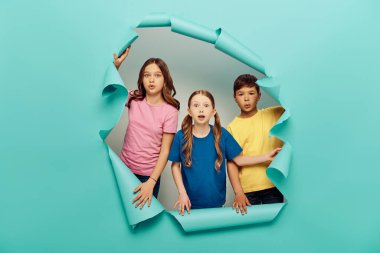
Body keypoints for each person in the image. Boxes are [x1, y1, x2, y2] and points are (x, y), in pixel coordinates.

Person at [168, 90, 280, 215]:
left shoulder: (222, 134)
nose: (201, 110)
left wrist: (266, 156)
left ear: (213, 111)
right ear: (189, 111)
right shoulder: (180, 136)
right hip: (189, 203)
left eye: (206, 106)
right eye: (196, 105)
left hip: (216, 203)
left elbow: (238, 160)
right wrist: (182, 194)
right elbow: (175, 166)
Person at [114, 48, 180, 209]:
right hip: (124, 170)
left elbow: (165, 151)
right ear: (142, 79)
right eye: (147, 75)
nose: (151, 80)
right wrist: (116, 67)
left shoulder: (170, 111)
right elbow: (111, 94)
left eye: (157, 75)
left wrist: (151, 182)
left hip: (148, 177)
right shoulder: (134, 98)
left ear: (165, 79)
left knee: (142, 220)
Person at [227, 74, 285, 215]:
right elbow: (232, 163)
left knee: (273, 225)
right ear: (235, 97)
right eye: (241, 94)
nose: (246, 98)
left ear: (259, 95)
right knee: (248, 229)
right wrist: (238, 192)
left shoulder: (274, 113)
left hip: (273, 185)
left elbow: (293, 101)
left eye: (251, 93)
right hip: (247, 189)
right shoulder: (232, 128)